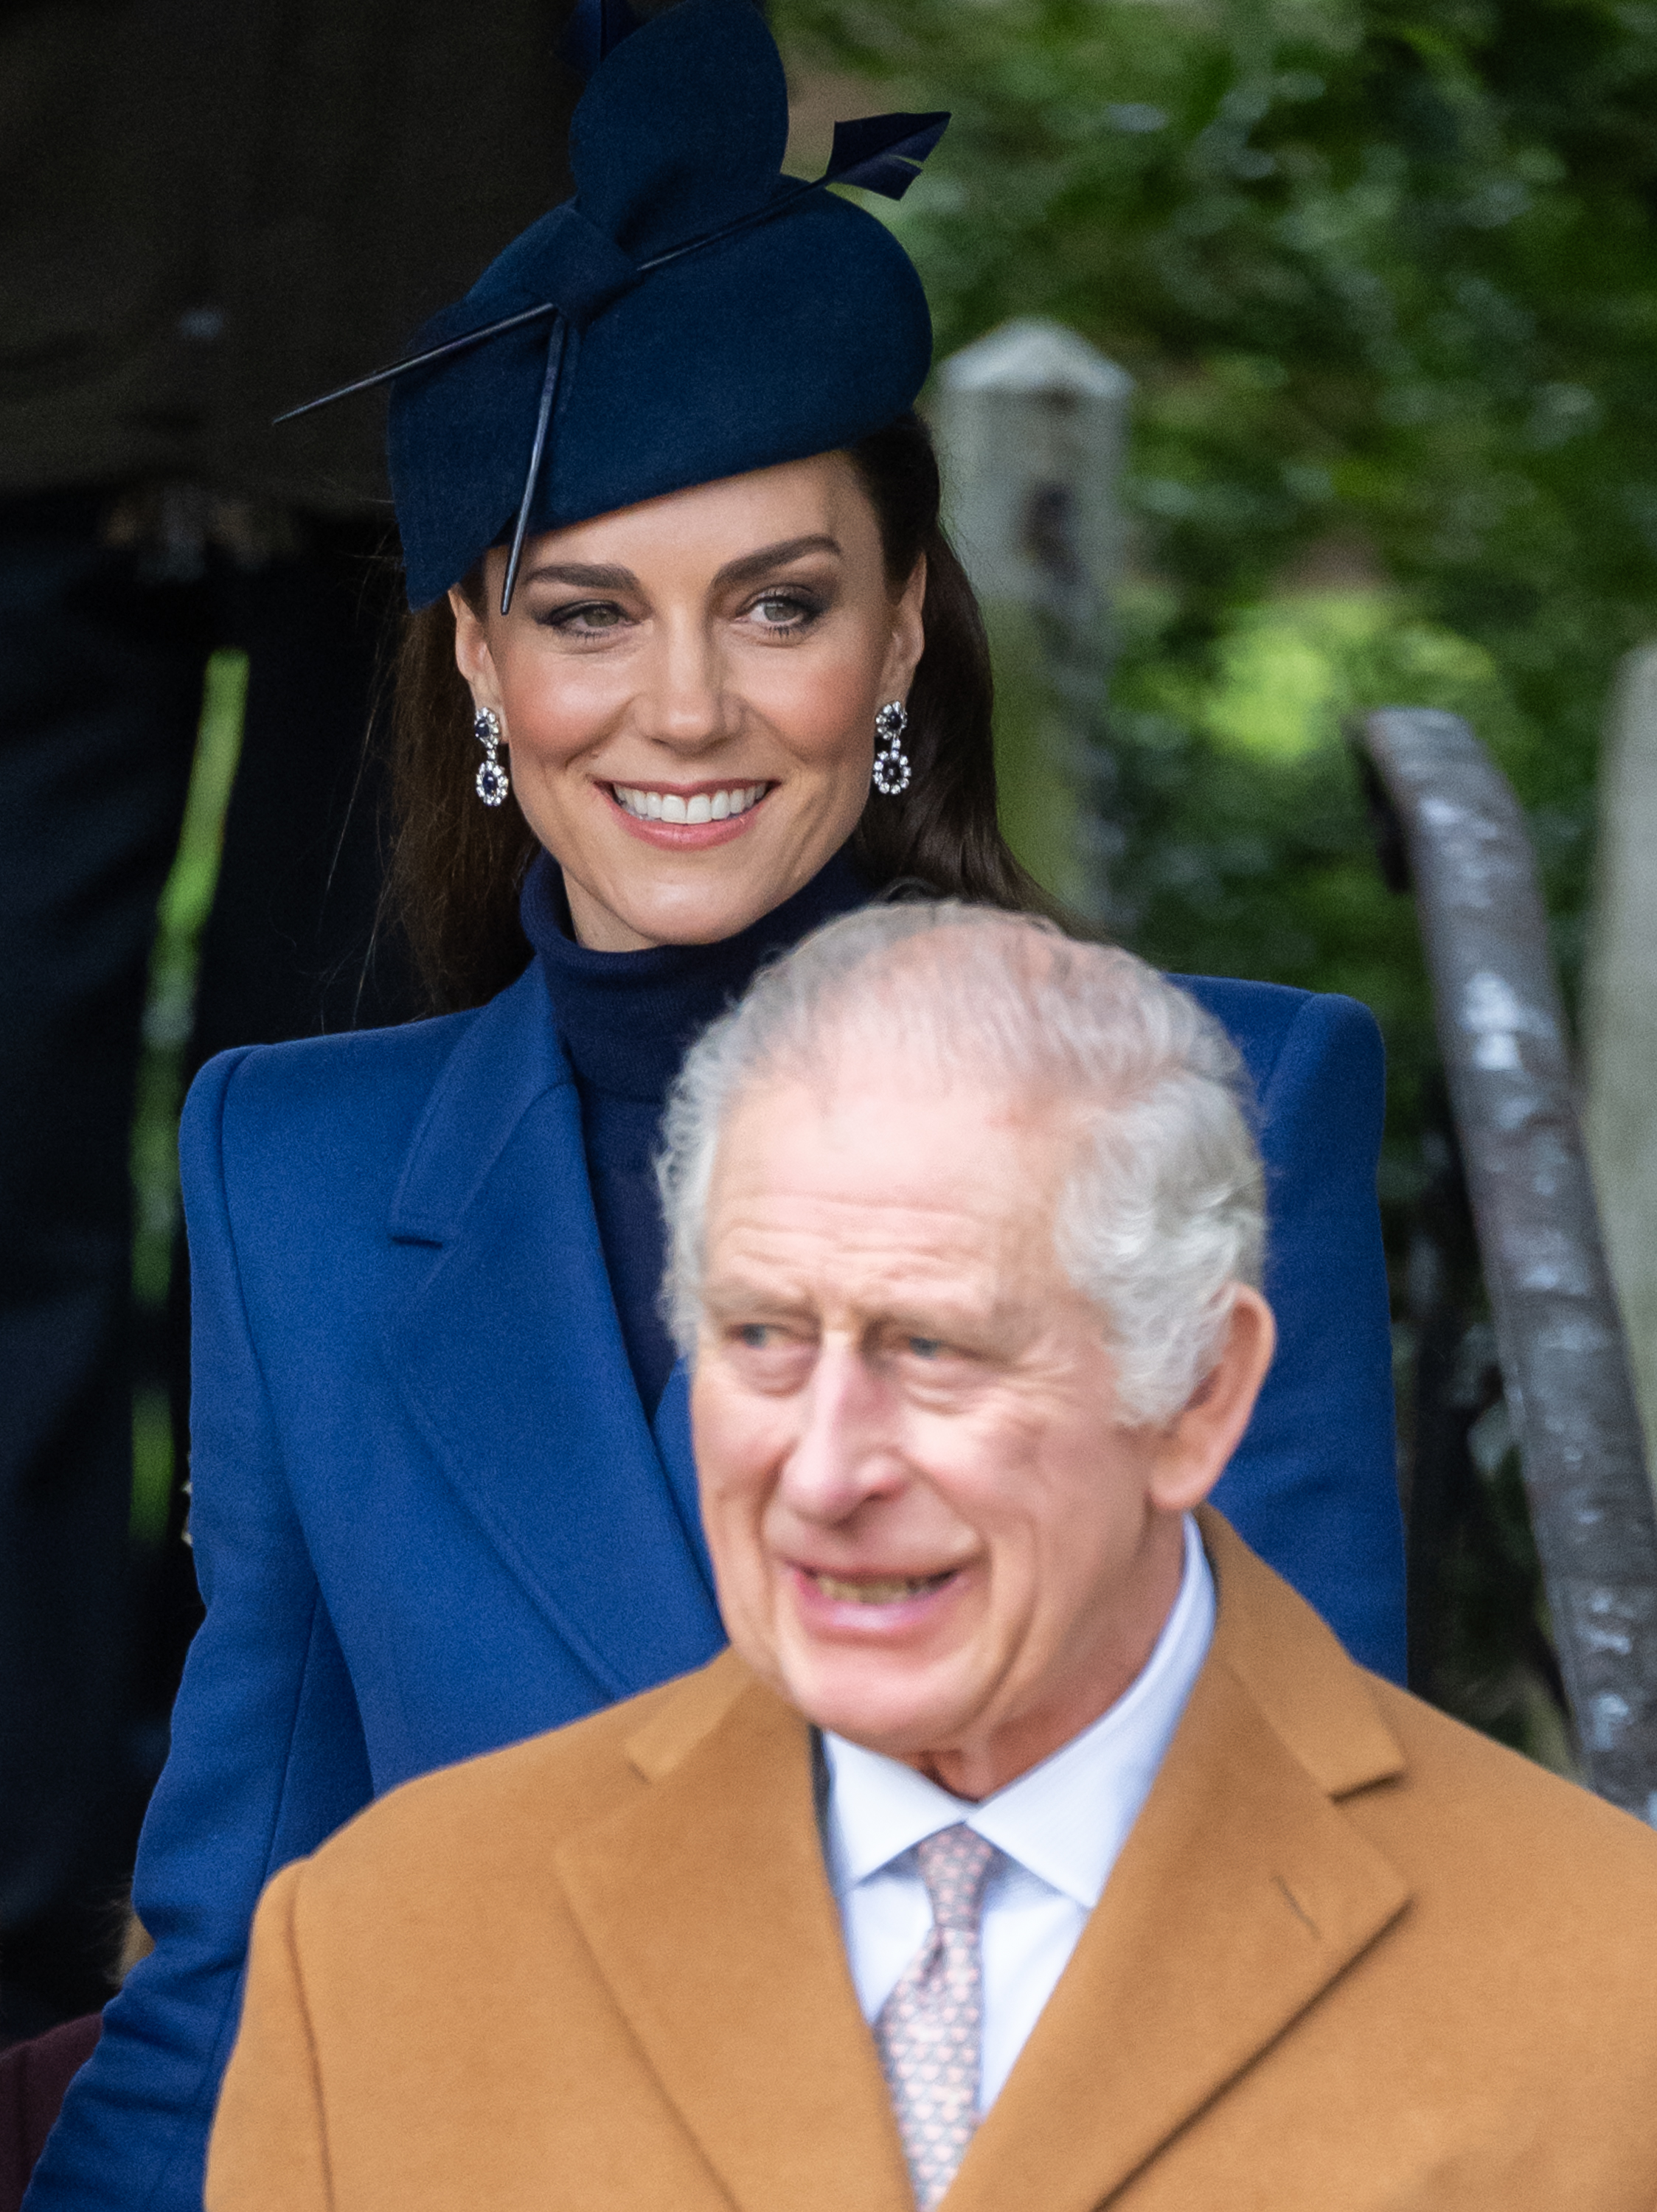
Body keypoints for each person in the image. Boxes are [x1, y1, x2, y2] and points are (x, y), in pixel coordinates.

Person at [26, 4, 1406, 2205]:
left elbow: (1317, 1921)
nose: (683, 708)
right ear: (481, 660)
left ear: (900, 636)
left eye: (778, 605)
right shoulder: (295, 1174)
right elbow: (239, 1986)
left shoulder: (1239, 1098)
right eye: (589, 612)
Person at [206, 906, 1657, 2212]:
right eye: (763, 1337)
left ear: (1199, 1394)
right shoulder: (376, 1949)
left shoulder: (1609, 1987)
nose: (824, 1472)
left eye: (934, 1350)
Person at [0, 0, 580, 2036]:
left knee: (357, 1201)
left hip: (445, 407)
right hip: (39, 372)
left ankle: (299, 1895)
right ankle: (17, 1944)